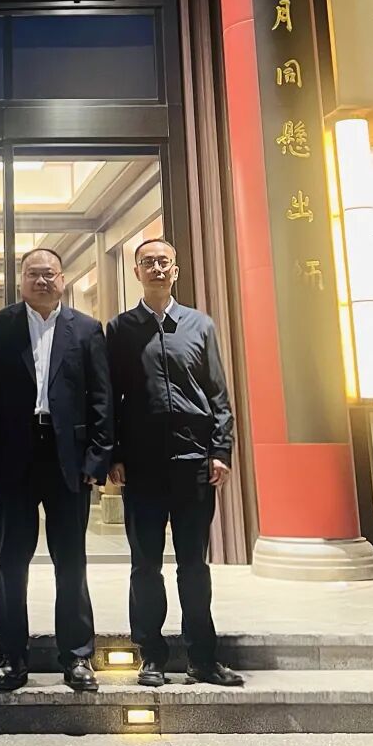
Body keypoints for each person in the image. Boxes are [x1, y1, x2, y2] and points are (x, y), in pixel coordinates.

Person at [0, 247, 114, 693]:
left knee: (71, 562)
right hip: (14, 455)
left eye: (49, 273)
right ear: (21, 280)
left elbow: (101, 398)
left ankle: (77, 657)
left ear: (62, 278)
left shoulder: (86, 329)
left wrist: (97, 458)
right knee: (12, 563)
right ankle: (11, 657)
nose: (41, 280)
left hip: (67, 457)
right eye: (33, 274)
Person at [106, 238, 243, 688]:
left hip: (193, 462)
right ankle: (151, 656)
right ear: (136, 272)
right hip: (142, 466)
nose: (157, 268)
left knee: (194, 566)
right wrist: (114, 455)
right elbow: (110, 397)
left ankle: (203, 658)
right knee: (145, 566)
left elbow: (218, 394)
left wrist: (220, 451)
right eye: (148, 262)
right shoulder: (120, 329)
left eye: (164, 262)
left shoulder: (200, 325)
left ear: (176, 270)